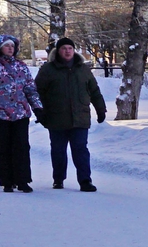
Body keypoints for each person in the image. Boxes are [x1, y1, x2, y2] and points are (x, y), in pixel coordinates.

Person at [33, 36, 107, 191]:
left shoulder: (83, 69)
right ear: (58, 51)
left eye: (70, 48)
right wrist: (40, 112)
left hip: (80, 117)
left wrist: (100, 109)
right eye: (64, 49)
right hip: (56, 118)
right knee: (58, 151)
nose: (67, 51)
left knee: (80, 150)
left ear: (74, 51)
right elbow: (37, 92)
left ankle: (85, 181)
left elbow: (94, 91)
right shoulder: (48, 69)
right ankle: (58, 179)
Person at [0, 34, 43, 193]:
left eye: (12, 45)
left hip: (20, 114)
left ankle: (23, 180)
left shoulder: (21, 66)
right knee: (2, 148)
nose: (10, 48)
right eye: (7, 45)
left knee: (22, 147)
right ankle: (7, 181)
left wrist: (38, 108)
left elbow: (30, 90)